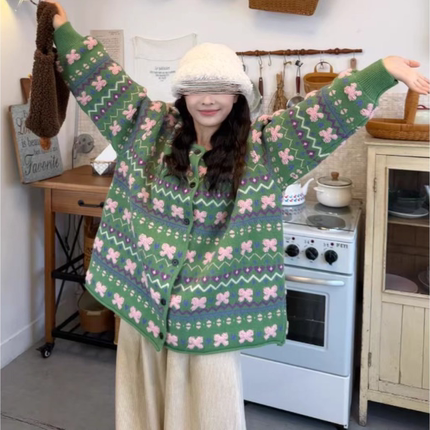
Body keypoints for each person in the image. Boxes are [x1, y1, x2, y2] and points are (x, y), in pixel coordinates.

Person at [46, 2, 429, 429]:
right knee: (142, 408)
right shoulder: (149, 128)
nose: (208, 99)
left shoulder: (265, 148)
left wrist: (380, 71)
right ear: (182, 93)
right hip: (144, 305)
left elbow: (322, 114)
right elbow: (102, 80)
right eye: (197, 88)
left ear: (237, 95)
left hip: (211, 317)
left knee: (209, 413)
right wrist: (60, 25)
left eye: (221, 88)